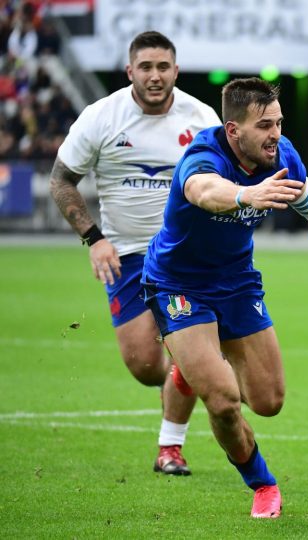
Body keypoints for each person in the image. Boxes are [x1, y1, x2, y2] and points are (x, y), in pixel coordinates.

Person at [142, 77, 308, 518]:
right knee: (223, 400)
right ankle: (262, 484)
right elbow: (201, 191)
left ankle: (190, 370)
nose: (276, 134)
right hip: (177, 284)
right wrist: (247, 194)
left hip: (238, 282)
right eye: (264, 125)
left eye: (278, 123)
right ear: (232, 130)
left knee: (269, 401)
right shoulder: (203, 155)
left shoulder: (281, 156)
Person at [50, 31, 219, 476]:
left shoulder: (201, 119)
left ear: (176, 71)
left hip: (184, 255)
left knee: (184, 351)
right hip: (125, 256)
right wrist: (94, 237)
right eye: (145, 67)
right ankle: (193, 368)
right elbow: (61, 180)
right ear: (130, 72)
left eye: (163, 67)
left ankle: (171, 447)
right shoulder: (101, 117)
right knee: (146, 365)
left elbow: (224, 182)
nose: (155, 75)